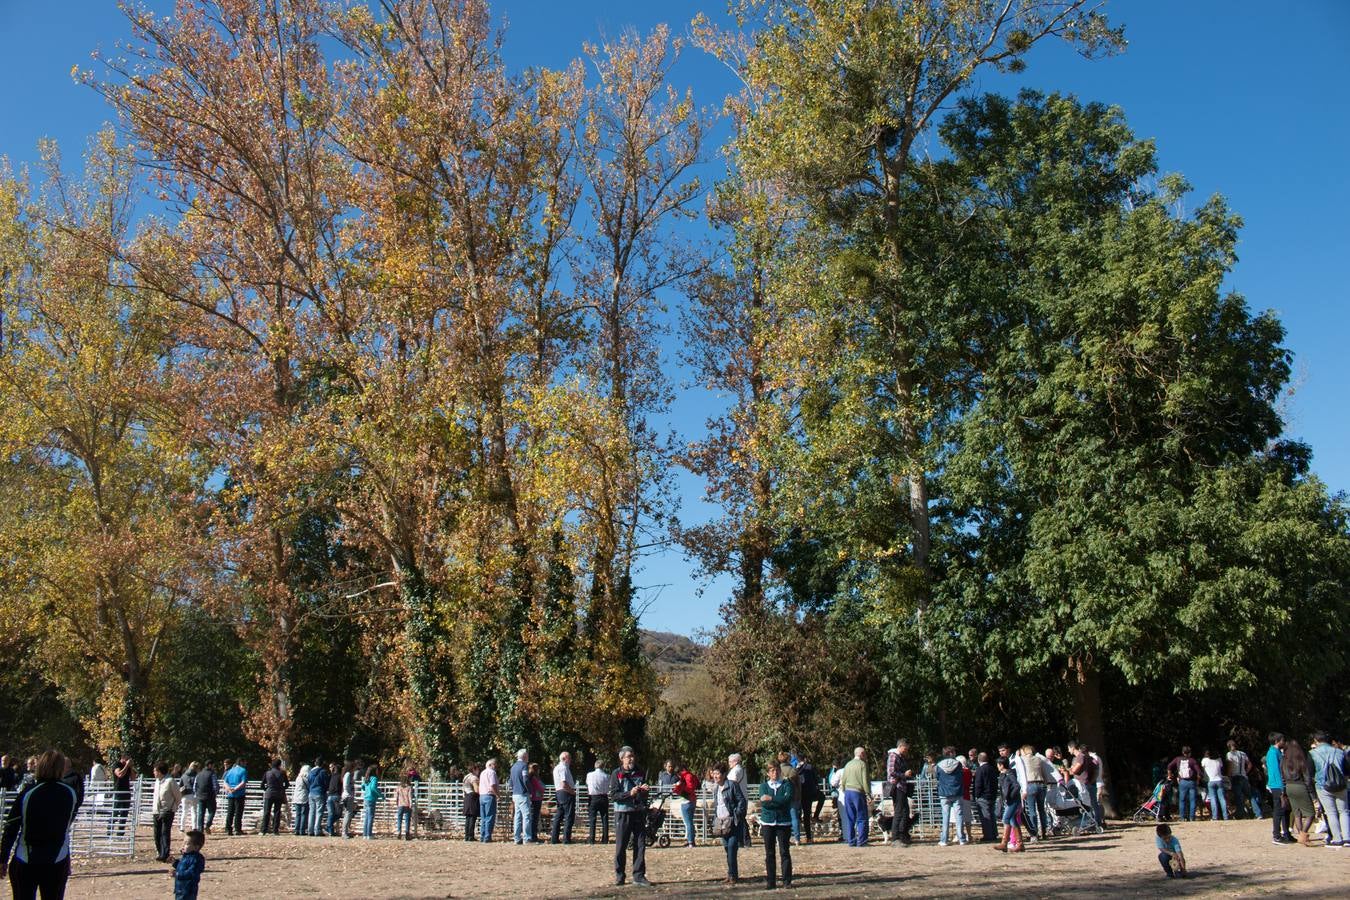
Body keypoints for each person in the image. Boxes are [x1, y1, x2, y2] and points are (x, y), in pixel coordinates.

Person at [0, 750, 82, 900]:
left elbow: (11, 826)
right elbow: (65, 828)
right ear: (60, 768)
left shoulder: (28, 792)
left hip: (26, 859)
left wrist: (3, 858)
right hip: (57, 860)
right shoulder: (70, 793)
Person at [609, 745, 653, 887]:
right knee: (621, 845)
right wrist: (629, 794)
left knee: (640, 845)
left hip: (638, 812)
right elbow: (614, 795)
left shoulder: (640, 772)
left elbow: (643, 795)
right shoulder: (616, 774)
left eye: (633, 755)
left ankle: (639, 875)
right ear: (622, 759)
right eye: (628, 756)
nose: (631, 758)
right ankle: (620, 875)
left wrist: (644, 791)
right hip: (622, 813)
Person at [1309, 732, 1348, 848]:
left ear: (1316, 740)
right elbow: (1347, 770)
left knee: (1331, 813)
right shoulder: (1340, 752)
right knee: (1344, 811)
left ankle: (1337, 839)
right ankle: (1347, 838)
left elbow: (1310, 772)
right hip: (1341, 785)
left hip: (1323, 786)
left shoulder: (1312, 753)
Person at [709, 762, 746, 884]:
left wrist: (737, 814)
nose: (715, 776)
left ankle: (733, 875)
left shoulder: (732, 785)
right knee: (726, 848)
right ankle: (730, 874)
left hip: (733, 822)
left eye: (717, 773)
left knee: (731, 847)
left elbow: (741, 800)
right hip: (721, 823)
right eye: (714, 773)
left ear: (724, 774)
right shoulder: (716, 788)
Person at [759, 760, 794, 889]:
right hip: (768, 822)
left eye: (777, 770)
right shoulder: (763, 786)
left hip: (783, 822)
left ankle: (787, 880)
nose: (775, 773)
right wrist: (776, 801)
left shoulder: (786, 784)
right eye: (772, 770)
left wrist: (772, 798)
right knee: (769, 852)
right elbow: (764, 803)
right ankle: (771, 881)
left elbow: (787, 800)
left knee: (784, 851)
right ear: (768, 773)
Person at [1281, 739, 1315, 845]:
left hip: (1288, 786)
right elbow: (1307, 778)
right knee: (1310, 814)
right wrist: (1312, 794)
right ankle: (1303, 834)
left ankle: (1301, 834)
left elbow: (1282, 776)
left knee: (1297, 813)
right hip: (1300, 786)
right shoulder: (1301, 760)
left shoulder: (1284, 760)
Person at [1015, 745, 1052, 841]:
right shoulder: (1038, 759)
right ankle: (1044, 832)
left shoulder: (1022, 759)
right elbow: (1044, 772)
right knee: (1042, 810)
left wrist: (1017, 755)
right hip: (1041, 784)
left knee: (1032, 811)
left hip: (1030, 785)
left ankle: (1034, 833)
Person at [935, 747, 967, 846]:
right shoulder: (958, 764)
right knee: (959, 816)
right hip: (957, 792)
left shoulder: (938, 766)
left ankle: (944, 840)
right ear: (951, 753)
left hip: (944, 794)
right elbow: (961, 776)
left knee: (945, 817)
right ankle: (961, 839)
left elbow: (937, 777)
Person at [1265, 733, 1293, 844]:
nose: (1284, 742)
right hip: (1277, 785)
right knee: (1278, 810)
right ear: (1277, 741)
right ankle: (1276, 835)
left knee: (1286, 810)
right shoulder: (1272, 753)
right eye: (1282, 740)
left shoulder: (1277, 752)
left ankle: (1286, 834)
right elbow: (1275, 771)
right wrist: (1281, 787)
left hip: (1281, 784)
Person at [886, 739, 915, 846]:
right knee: (899, 812)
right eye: (906, 748)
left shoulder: (900, 757)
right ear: (901, 746)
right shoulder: (893, 756)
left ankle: (902, 835)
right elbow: (891, 772)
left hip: (902, 787)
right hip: (897, 787)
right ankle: (895, 838)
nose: (907, 751)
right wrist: (904, 774)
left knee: (905, 811)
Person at [152, 762, 183, 862]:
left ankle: (164, 854)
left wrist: (173, 808)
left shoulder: (170, 781)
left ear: (160, 771)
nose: (154, 772)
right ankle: (160, 851)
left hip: (167, 811)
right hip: (156, 811)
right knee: (157, 834)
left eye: (155, 770)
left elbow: (178, 796)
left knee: (165, 833)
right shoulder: (157, 782)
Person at [840, 746, 870, 847]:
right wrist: (868, 793)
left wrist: (844, 789)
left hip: (848, 792)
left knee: (850, 818)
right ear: (861, 754)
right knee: (862, 817)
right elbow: (864, 780)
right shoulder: (862, 764)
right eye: (865, 753)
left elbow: (843, 779)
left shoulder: (848, 764)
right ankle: (862, 841)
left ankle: (851, 840)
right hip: (858, 792)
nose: (866, 756)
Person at [994, 756, 1024, 852]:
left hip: (1013, 801)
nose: (997, 767)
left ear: (1001, 765)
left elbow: (1016, 786)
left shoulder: (1009, 774)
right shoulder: (1005, 774)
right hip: (1010, 801)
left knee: (1006, 818)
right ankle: (1020, 844)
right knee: (1012, 820)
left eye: (998, 765)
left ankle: (1004, 842)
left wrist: (1009, 796)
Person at [1166, 746, 1200, 822]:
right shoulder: (1192, 761)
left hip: (1182, 782)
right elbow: (1199, 772)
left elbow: (1169, 766)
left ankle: (1182, 817)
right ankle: (1192, 817)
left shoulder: (1178, 759)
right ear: (1190, 753)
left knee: (1182, 800)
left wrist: (1169, 775)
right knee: (1192, 800)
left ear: (1183, 752)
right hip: (1192, 782)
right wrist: (1198, 780)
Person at [551, 752, 577, 844]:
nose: (570, 760)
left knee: (559, 815)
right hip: (566, 792)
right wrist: (572, 792)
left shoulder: (556, 768)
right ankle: (566, 839)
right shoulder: (563, 768)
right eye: (569, 758)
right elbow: (564, 783)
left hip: (559, 793)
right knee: (569, 816)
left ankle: (554, 838)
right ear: (565, 758)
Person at [672, 762, 700, 848]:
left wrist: (678, 788)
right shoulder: (690, 776)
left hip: (687, 801)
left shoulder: (686, 776)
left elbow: (689, 788)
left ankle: (690, 841)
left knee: (688, 822)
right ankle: (691, 840)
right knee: (690, 822)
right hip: (692, 800)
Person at [973, 752, 999, 843]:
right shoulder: (992, 768)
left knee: (985, 816)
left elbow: (978, 784)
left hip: (983, 796)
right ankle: (994, 833)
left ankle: (988, 835)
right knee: (991, 815)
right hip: (992, 795)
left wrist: (976, 795)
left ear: (979, 759)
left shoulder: (980, 770)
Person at [173, 829, 206, 900]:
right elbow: (182, 866)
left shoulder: (197, 859)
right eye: (183, 843)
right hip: (180, 888)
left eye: (187, 844)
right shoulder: (186, 856)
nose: (183, 845)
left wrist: (178, 875)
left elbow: (192, 872)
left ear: (196, 847)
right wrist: (175, 863)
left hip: (188, 890)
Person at [727, 753, 750, 848]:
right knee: (741, 819)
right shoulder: (742, 770)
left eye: (730, 761)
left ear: (735, 761)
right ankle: (743, 840)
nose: (729, 763)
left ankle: (744, 840)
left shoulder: (735, 771)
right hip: (743, 796)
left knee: (739, 819)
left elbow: (731, 784)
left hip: (737, 798)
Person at [509, 750, 531, 845]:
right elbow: (525, 779)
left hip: (515, 794)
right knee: (526, 816)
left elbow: (510, 782)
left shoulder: (513, 767)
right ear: (525, 756)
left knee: (517, 817)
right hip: (523, 794)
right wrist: (529, 790)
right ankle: (527, 838)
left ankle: (517, 838)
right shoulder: (524, 766)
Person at [586, 758, 611, 845]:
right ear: (603, 766)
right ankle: (605, 839)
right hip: (604, 797)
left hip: (593, 797)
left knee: (592, 818)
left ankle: (592, 839)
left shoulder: (589, 775)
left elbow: (588, 784)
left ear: (595, 766)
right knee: (604, 818)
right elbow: (608, 787)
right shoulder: (607, 776)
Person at [111, 753, 135, 838]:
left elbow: (133, 778)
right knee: (116, 812)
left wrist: (130, 767)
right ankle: (110, 830)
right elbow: (119, 775)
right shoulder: (116, 764)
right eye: (127, 758)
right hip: (118, 791)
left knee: (124, 813)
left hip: (126, 792)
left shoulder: (128, 767)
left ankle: (120, 833)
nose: (128, 760)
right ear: (123, 758)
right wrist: (126, 765)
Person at [797, 754, 821, 840]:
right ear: (805, 758)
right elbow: (815, 779)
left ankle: (797, 837)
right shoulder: (810, 767)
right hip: (808, 794)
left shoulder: (795, 768)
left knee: (797, 815)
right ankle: (809, 836)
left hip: (798, 794)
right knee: (807, 815)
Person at [222, 758, 247, 837]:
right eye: (244, 762)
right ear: (241, 762)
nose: (245, 763)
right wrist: (235, 788)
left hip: (230, 794)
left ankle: (228, 828)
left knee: (230, 812)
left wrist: (229, 789)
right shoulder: (243, 770)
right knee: (238, 812)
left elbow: (225, 782)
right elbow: (243, 782)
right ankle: (237, 829)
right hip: (239, 794)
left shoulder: (230, 771)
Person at [1199, 750, 1227, 821]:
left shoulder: (1204, 760)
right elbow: (1221, 768)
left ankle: (1215, 816)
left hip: (1210, 781)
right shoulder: (1219, 760)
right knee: (1222, 799)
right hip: (1219, 780)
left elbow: (1203, 769)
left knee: (1213, 799)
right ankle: (1225, 816)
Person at [259, 760, 285, 835]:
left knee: (267, 812)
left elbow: (262, 785)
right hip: (278, 794)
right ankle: (275, 830)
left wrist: (266, 789)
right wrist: (281, 788)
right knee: (277, 812)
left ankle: (263, 830)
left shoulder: (267, 773)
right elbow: (287, 784)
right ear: (279, 765)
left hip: (269, 794)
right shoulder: (282, 773)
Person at [478, 758, 499, 843]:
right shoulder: (492, 772)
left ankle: (482, 836)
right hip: (489, 795)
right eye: (494, 764)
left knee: (483, 817)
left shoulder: (482, 772)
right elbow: (492, 785)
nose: (496, 766)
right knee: (490, 817)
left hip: (482, 795)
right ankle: (487, 837)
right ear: (490, 765)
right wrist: (497, 794)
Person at [194, 762, 218, 833]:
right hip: (210, 796)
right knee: (212, 811)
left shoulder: (199, 774)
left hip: (200, 796)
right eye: (213, 765)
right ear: (209, 765)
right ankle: (207, 825)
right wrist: (215, 794)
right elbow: (215, 786)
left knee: (201, 813)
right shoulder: (212, 774)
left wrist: (197, 794)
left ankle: (200, 829)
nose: (213, 767)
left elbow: (194, 786)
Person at [307, 759, 329, 836]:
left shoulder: (310, 772)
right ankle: (317, 830)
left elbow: (308, 781)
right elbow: (326, 783)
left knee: (311, 812)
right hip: (319, 792)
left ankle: (310, 830)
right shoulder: (323, 772)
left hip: (311, 792)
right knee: (319, 812)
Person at [177, 762, 199, 835]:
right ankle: (194, 827)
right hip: (193, 795)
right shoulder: (196, 775)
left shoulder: (184, 775)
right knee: (194, 812)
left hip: (185, 795)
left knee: (184, 812)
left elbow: (180, 786)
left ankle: (182, 828)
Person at [290, 764, 311, 836]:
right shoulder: (306, 779)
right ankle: (302, 830)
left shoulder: (298, 778)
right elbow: (309, 787)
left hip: (296, 798)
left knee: (298, 814)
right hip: (304, 797)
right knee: (304, 814)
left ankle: (296, 829)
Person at [361, 766, 382, 839]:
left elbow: (362, 786)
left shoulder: (366, 778)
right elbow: (373, 788)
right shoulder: (374, 778)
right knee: (370, 817)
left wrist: (366, 790)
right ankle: (369, 834)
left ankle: (365, 834)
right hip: (371, 799)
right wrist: (381, 795)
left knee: (366, 817)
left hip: (366, 799)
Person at [526, 763, 545, 843]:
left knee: (534, 818)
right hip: (536, 799)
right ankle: (534, 836)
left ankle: (533, 835)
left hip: (533, 798)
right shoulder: (534, 778)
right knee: (535, 818)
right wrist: (543, 789)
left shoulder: (530, 777)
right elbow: (540, 788)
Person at [462, 764, 481, 841]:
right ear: (474, 769)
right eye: (477, 769)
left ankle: (467, 836)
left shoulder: (466, 777)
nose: (478, 771)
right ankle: (471, 836)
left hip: (467, 797)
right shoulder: (474, 778)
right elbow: (476, 789)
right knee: (472, 817)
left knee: (468, 818)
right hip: (472, 797)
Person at [341, 762, 359, 839]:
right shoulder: (348, 774)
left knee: (348, 814)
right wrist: (349, 792)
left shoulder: (349, 775)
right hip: (348, 796)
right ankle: (344, 832)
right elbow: (345, 785)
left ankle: (346, 831)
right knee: (348, 814)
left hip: (348, 795)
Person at [324, 762, 342, 837]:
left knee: (331, 814)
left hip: (329, 796)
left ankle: (330, 829)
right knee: (338, 814)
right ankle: (329, 826)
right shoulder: (340, 777)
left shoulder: (330, 776)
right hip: (336, 796)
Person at [395, 774, 415, 840]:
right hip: (407, 805)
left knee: (399, 819)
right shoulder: (409, 787)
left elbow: (396, 796)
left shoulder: (398, 787)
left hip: (400, 805)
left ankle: (398, 831)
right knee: (407, 820)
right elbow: (410, 797)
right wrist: (411, 804)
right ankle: (407, 834)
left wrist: (396, 803)